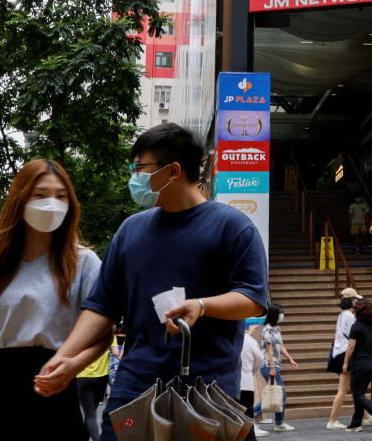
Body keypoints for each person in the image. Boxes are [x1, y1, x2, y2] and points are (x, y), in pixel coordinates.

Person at [37, 124, 268, 441]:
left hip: (208, 391)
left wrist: (202, 306)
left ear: (173, 170)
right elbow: (102, 306)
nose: (133, 176)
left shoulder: (233, 227)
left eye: (139, 168)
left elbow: (253, 298)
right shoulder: (131, 230)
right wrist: (64, 358)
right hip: (135, 384)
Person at [0, 159, 101, 440]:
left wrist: (72, 367)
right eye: (40, 194)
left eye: (61, 196)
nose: (52, 203)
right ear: (20, 199)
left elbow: (103, 333)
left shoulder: (84, 263)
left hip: (53, 386)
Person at [344, 299, 372, 431]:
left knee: (357, 394)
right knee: (360, 394)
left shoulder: (356, 326)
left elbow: (351, 346)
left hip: (359, 364)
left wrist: (346, 362)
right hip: (370, 364)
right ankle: (356, 423)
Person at [327, 291, 362, 430]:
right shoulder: (349, 316)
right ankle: (332, 421)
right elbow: (353, 337)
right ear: (351, 300)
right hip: (344, 353)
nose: (356, 302)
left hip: (339, 352)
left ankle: (366, 416)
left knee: (352, 388)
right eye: (355, 299)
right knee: (343, 389)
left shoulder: (342, 314)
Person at [262, 303, 299, 432]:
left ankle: (278, 423)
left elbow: (281, 346)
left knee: (278, 393)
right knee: (280, 393)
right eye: (280, 313)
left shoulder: (276, 328)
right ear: (273, 315)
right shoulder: (268, 329)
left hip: (275, 364)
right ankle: (279, 423)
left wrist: (290, 359)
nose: (282, 316)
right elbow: (269, 350)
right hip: (269, 365)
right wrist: (272, 368)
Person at [241, 323, 270, 438]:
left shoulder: (226, 339)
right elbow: (259, 359)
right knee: (247, 413)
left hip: (228, 384)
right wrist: (250, 372)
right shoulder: (248, 341)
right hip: (246, 382)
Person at [76, 347, 111, 441]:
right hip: (101, 378)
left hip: (83, 376)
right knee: (91, 415)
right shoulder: (108, 334)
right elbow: (115, 353)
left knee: (89, 415)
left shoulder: (81, 337)